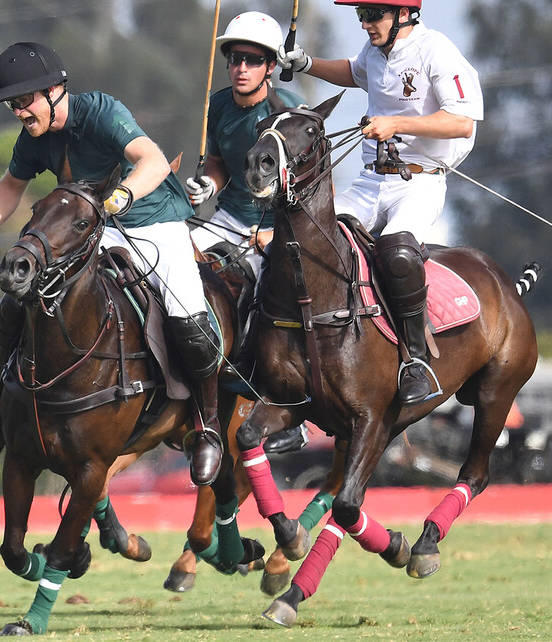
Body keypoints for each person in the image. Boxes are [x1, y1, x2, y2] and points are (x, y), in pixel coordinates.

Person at [0, 42, 224, 486]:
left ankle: (208, 425)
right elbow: (8, 188)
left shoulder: (100, 112)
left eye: (25, 101)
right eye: (13, 105)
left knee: (187, 319)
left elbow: (151, 160)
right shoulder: (33, 140)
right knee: (19, 302)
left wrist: (124, 194)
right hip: (96, 231)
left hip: (153, 222)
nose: (19, 112)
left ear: (56, 90)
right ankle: (3, 404)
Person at [277, 1, 483, 405]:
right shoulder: (375, 53)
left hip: (419, 181)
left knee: (398, 253)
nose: (366, 23)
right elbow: (352, 72)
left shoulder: (435, 49)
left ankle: (416, 362)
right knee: (309, 242)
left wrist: (397, 123)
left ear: (405, 14)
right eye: (361, 15)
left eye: (374, 14)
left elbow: (462, 122)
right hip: (372, 181)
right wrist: (306, 63)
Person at [185, 11, 308, 454]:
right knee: (170, 264)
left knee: (267, 297)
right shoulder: (218, 105)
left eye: (253, 60)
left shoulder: (288, 111)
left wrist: (276, 236)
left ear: (271, 67)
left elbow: (307, 186)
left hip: (278, 226)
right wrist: (208, 185)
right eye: (236, 58)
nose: (241, 67)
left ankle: (289, 400)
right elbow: (218, 163)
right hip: (228, 218)